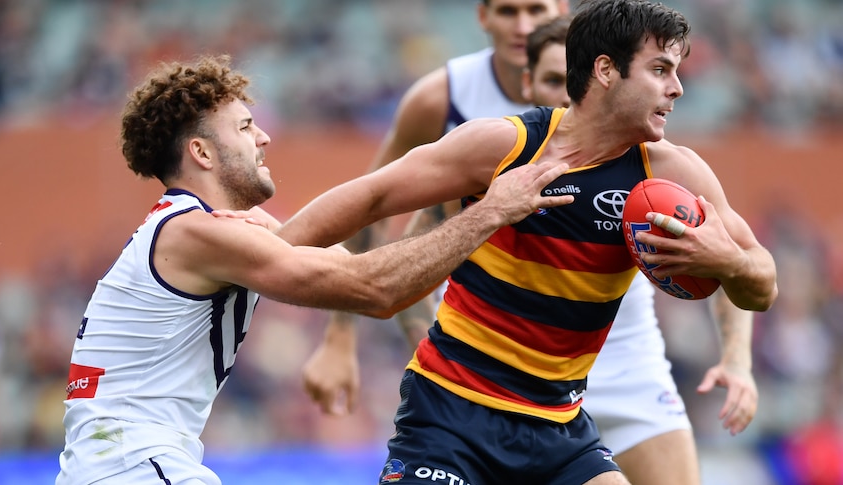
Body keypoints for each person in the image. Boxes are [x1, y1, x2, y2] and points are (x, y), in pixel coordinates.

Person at [274, 0, 778, 483]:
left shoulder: (674, 172)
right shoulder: (504, 145)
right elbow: (371, 198)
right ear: (605, 70)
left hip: (559, 422)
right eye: (661, 70)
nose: (678, 89)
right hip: (453, 412)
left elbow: (762, 284)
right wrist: (266, 257)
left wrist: (728, 261)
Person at [54, 54, 574, 485]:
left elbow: (361, 268)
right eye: (245, 126)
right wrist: (490, 211)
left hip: (118, 461)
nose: (264, 139)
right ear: (201, 153)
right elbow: (375, 288)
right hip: (130, 464)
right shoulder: (197, 234)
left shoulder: (207, 228)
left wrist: (454, 205)